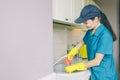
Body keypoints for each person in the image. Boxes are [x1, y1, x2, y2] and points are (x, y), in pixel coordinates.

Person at [64, 4, 118, 80]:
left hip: (105, 75)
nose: (85, 25)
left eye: (86, 23)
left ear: (96, 19)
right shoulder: (90, 31)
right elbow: (82, 43)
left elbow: (96, 61)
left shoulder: (105, 35)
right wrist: (72, 52)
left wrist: (76, 66)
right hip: (94, 73)